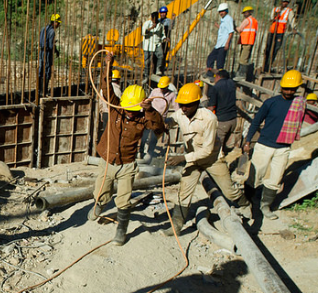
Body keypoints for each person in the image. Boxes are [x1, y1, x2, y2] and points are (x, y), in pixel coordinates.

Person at [87, 54, 165, 246]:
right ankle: (100, 204)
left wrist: (149, 110)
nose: (129, 111)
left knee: (123, 200)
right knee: (101, 193)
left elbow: (158, 128)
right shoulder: (116, 108)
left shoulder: (143, 118)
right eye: (127, 108)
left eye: (133, 109)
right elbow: (106, 89)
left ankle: (121, 231)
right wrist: (108, 65)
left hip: (127, 166)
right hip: (107, 162)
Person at [165, 83, 251, 235]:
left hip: (212, 158)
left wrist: (183, 158)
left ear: (197, 103)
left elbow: (207, 150)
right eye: (181, 105)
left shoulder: (209, 118)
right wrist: (154, 117)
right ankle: (177, 225)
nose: (184, 108)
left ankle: (245, 204)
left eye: (188, 105)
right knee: (184, 191)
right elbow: (169, 122)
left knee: (229, 191)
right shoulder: (180, 114)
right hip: (193, 158)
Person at [244, 70, 306, 220]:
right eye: (286, 88)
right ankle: (248, 203)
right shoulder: (271, 103)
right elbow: (256, 121)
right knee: (255, 175)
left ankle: (265, 206)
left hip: (283, 147)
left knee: (276, 179)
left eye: (292, 89)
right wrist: (248, 140)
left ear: (297, 88)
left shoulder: (298, 104)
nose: (289, 91)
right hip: (264, 145)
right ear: (281, 87)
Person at [139, 76, 178, 160]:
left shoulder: (172, 95)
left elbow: (176, 108)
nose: (162, 89)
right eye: (161, 88)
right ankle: (141, 151)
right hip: (150, 116)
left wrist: (177, 118)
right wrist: (142, 110)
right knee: (144, 135)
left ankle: (149, 154)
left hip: (160, 119)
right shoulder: (155, 91)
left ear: (167, 86)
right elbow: (148, 101)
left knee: (154, 137)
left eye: (164, 88)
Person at [208, 70, 238, 157]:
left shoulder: (216, 87)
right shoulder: (231, 83)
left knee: (217, 148)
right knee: (223, 145)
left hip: (222, 121)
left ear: (218, 76)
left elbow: (211, 107)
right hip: (233, 120)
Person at [263, 0, 297, 73]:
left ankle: (269, 65)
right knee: (268, 48)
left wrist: (294, 28)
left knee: (276, 49)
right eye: (284, 2)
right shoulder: (275, 9)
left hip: (280, 32)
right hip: (272, 31)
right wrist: (275, 15)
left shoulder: (289, 11)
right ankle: (264, 65)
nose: (285, 3)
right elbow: (271, 19)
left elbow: (292, 20)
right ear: (281, 2)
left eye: (286, 2)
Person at [206, 3, 234, 74]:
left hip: (223, 44)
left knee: (220, 61)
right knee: (210, 58)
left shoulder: (228, 19)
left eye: (223, 11)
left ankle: (219, 75)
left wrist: (227, 43)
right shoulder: (223, 19)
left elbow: (231, 32)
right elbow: (224, 30)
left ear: (226, 11)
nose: (221, 13)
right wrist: (218, 26)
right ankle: (210, 73)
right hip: (219, 44)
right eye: (220, 11)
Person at [39, 14, 61, 96]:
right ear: (54, 22)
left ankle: (40, 90)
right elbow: (51, 46)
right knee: (47, 71)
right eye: (58, 23)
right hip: (47, 53)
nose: (58, 25)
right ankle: (44, 91)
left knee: (41, 70)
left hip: (41, 52)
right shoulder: (52, 32)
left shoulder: (43, 29)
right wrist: (56, 51)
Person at [235, 6, 258, 80]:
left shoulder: (247, 20)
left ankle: (241, 74)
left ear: (250, 12)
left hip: (246, 41)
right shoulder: (254, 20)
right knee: (246, 57)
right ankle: (242, 73)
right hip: (250, 41)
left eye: (246, 12)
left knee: (243, 58)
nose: (244, 14)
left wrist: (233, 26)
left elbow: (240, 29)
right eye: (244, 13)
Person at [142, 12, 166, 77]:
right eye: (153, 19)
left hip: (157, 43)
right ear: (151, 18)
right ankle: (146, 74)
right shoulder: (147, 24)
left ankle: (158, 69)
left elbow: (162, 34)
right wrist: (151, 28)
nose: (154, 21)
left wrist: (164, 39)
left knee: (161, 56)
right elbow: (144, 32)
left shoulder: (160, 25)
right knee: (147, 62)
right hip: (148, 45)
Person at [159, 6, 173, 74]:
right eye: (162, 13)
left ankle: (162, 69)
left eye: (164, 13)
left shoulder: (168, 21)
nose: (163, 14)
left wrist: (173, 19)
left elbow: (171, 28)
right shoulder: (158, 20)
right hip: (159, 40)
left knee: (164, 54)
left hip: (165, 41)